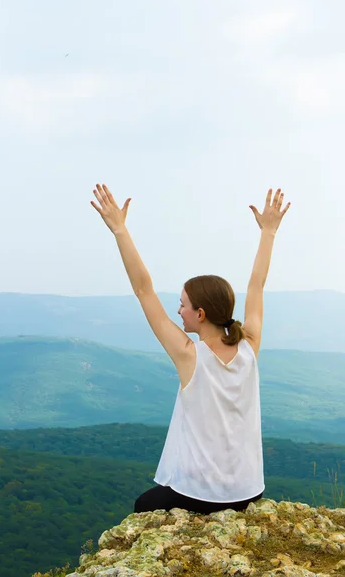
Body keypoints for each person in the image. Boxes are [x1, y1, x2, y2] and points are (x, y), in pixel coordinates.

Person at [91, 184, 290, 514]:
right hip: (248, 492)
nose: (178, 310)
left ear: (200, 314)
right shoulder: (249, 347)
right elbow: (257, 285)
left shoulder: (189, 355)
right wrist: (268, 231)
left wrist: (119, 229)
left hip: (199, 496)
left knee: (144, 505)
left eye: (182, 305)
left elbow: (143, 290)